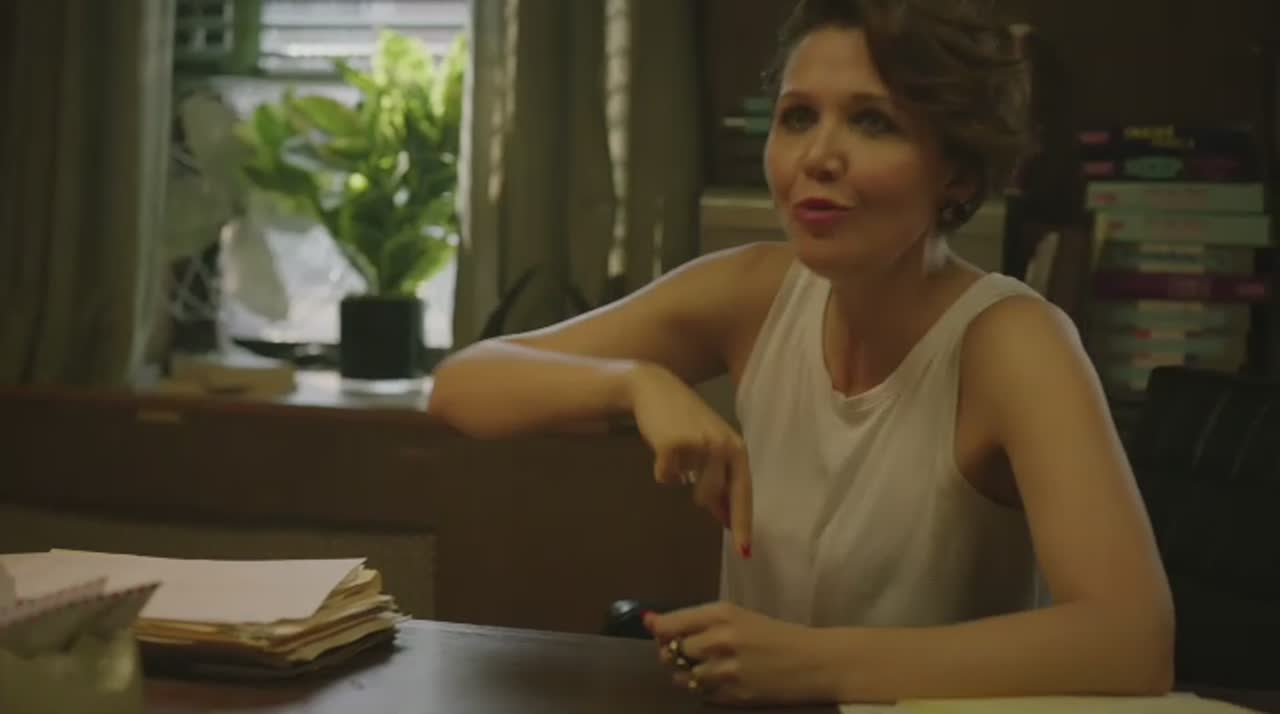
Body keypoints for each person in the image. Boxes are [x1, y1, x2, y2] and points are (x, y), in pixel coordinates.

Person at [428, 0, 1174, 705]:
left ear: (957, 169)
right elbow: (463, 385)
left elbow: (1131, 640)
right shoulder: (753, 291)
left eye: (873, 121)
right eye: (797, 117)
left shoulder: (1014, 341)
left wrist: (806, 664)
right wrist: (634, 383)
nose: (817, 156)